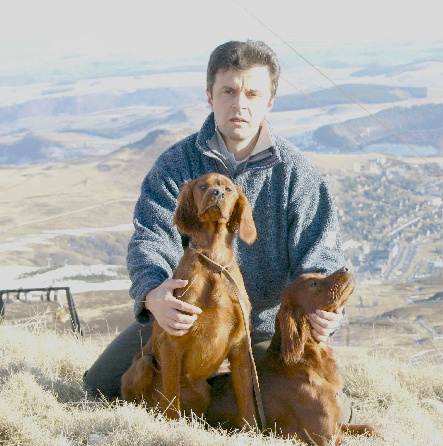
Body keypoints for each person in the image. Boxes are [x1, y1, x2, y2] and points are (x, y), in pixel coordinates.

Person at [83, 40, 352, 421]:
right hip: (181, 320)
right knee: (102, 385)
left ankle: (219, 398)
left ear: (269, 101)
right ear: (210, 95)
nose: (239, 104)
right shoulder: (176, 163)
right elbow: (150, 235)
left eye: (253, 93)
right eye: (228, 91)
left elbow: (320, 252)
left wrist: (325, 311)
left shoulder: (298, 174)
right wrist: (153, 293)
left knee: (327, 415)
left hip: (257, 329)